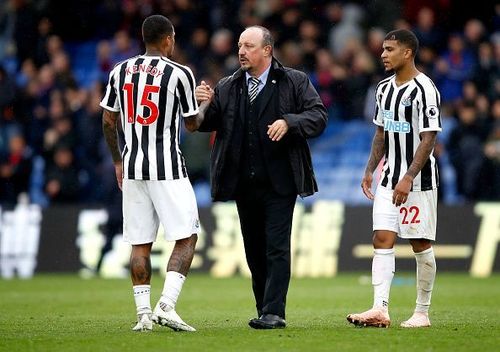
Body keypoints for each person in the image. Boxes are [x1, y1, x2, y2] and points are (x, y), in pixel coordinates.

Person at [186, 25, 327, 329]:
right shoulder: (227, 85)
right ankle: (264, 307)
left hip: (280, 182)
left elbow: (318, 117)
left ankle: (275, 311)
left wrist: (290, 122)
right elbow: (202, 124)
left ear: (267, 49)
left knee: (276, 246)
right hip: (243, 183)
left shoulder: (294, 80)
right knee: (253, 249)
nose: (241, 51)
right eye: (239, 45)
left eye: (248, 46)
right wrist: (204, 102)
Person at [100, 15, 210, 332]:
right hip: (167, 167)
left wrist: (117, 161)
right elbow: (192, 124)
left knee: (140, 244)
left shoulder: (119, 71)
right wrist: (205, 103)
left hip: (132, 166)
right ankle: (166, 306)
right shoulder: (179, 73)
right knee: (187, 236)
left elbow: (108, 121)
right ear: (168, 39)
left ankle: (143, 316)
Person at [346, 29, 441, 328]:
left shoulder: (424, 89)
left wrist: (409, 176)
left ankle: (422, 312)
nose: (383, 54)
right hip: (389, 179)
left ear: (407, 52)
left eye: (389, 49)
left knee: (420, 244)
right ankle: (379, 309)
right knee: (382, 238)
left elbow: (428, 138)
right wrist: (370, 170)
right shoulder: (384, 89)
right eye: (383, 49)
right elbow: (381, 133)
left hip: (418, 180)